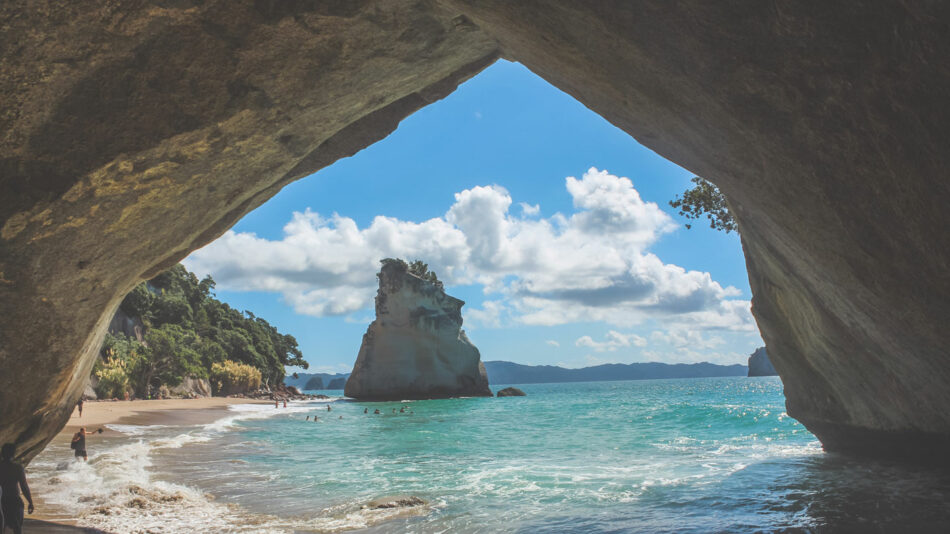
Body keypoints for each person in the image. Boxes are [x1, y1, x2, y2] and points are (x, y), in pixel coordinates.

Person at [0, 443, 34, 534]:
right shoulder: (17, 468)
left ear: (2, 454)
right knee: (17, 527)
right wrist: (30, 502)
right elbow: (24, 487)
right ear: (13, 454)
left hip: (1, 500)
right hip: (14, 500)